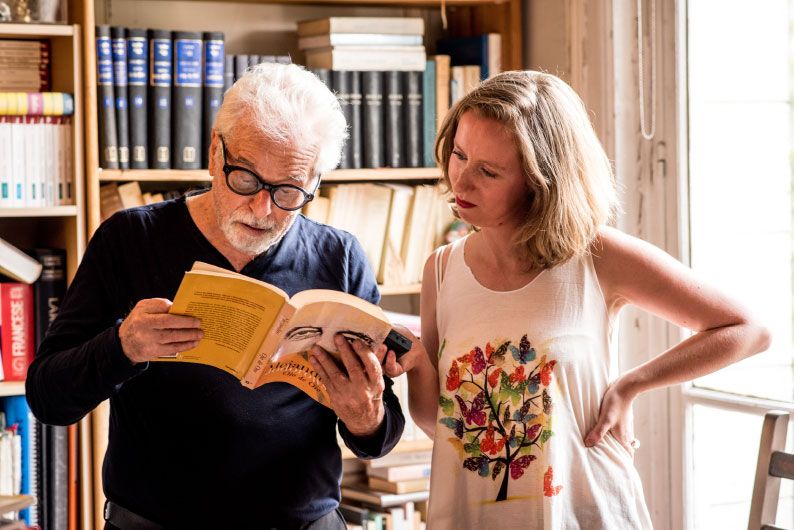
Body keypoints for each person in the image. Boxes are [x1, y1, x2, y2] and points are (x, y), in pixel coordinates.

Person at [382, 70, 771, 529]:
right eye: (459, 155)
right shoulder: (441, 269)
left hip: (588, 512)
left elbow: (748, 329)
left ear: (541, 181)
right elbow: (441, 426)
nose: (461, 182)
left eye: (488, 171)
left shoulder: (597, 256)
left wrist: (631, 385)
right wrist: (419, 366)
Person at [26, 62, 405, 530]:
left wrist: (364, 415)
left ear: (315, 185)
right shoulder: (129, 239)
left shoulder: (339, 256)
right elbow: (48, 397)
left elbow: (380, 436)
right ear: (213, 154)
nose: (262, 209)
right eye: (245, 179)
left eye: (288, 191)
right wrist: (123, 346)